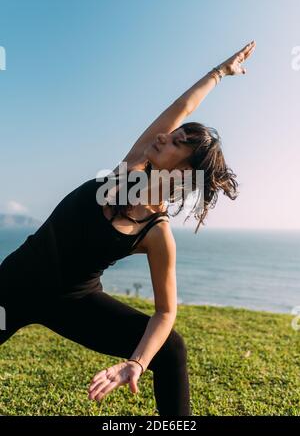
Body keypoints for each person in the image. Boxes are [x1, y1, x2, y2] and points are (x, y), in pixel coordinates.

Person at [0, 41, 256, 416]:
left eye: (177, 143)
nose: (164, 136)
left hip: (75, 303)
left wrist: (136, 362)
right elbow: (182, 107)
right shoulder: (129, 170)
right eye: (173, 133)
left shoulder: (156, 232)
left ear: (183, 173)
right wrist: (220, 72)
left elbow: (165, 312)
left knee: (171, 349)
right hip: (15, 284)